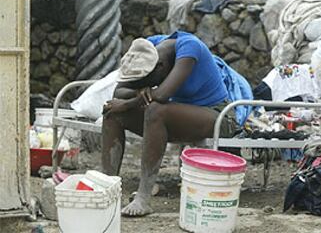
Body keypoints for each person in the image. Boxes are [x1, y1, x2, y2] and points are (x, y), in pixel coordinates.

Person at [101, 31, 251, 217]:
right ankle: (106, 187)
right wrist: (135, 95)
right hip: (177, 115)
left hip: (216, 116)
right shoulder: (148, 47)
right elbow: (120, 90)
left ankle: (143, 197)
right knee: (111, 113)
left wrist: (127, 104)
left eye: (147, 81)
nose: (143, 85)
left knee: (155, 110)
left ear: (161, 67)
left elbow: (162, 95)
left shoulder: (189, 48)